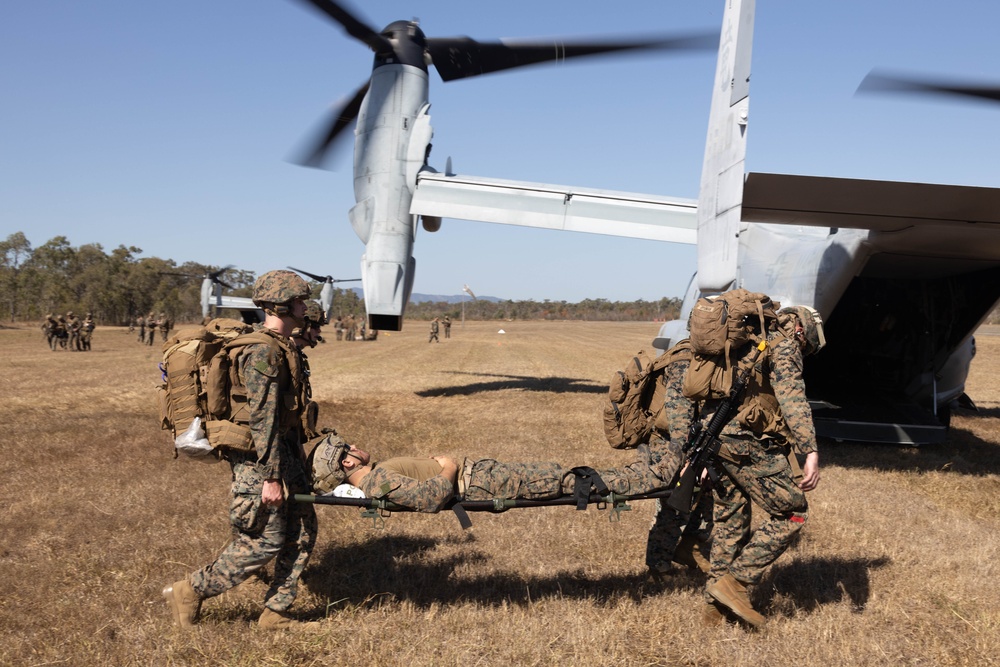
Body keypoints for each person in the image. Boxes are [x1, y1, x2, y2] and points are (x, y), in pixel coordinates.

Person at [163, 269, 319, 631]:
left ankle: (275, 613)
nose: (304, 305)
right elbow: (262, 418)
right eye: (298, 300)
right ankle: (190, 590)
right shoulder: (262, 351)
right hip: (259, 460)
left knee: (302, 528)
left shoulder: (282, 346)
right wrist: (272, 477)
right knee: (263, 540)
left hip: (282, 453)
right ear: (280, 304)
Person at [692, 302, 825, 629]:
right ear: (800, 330)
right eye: (806, 342)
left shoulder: (746, 343)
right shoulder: (784, 347)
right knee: (793, 511)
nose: (803, 348)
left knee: (731, 522)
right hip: (744, 443)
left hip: (716, 440)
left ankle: (714, 614)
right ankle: (735, 583)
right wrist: (810, 451)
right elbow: (793, 400)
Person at [309, 437, 687, 515]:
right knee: (573, 483)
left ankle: (645, 472)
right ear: (346, 464)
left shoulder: (375, 476)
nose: (356, 445)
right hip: (482, 483)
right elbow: (430, 499)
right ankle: (660, 474)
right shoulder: (374, 481)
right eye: (350, 448)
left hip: (485, 476)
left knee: (564, 477)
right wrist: (448, 466)